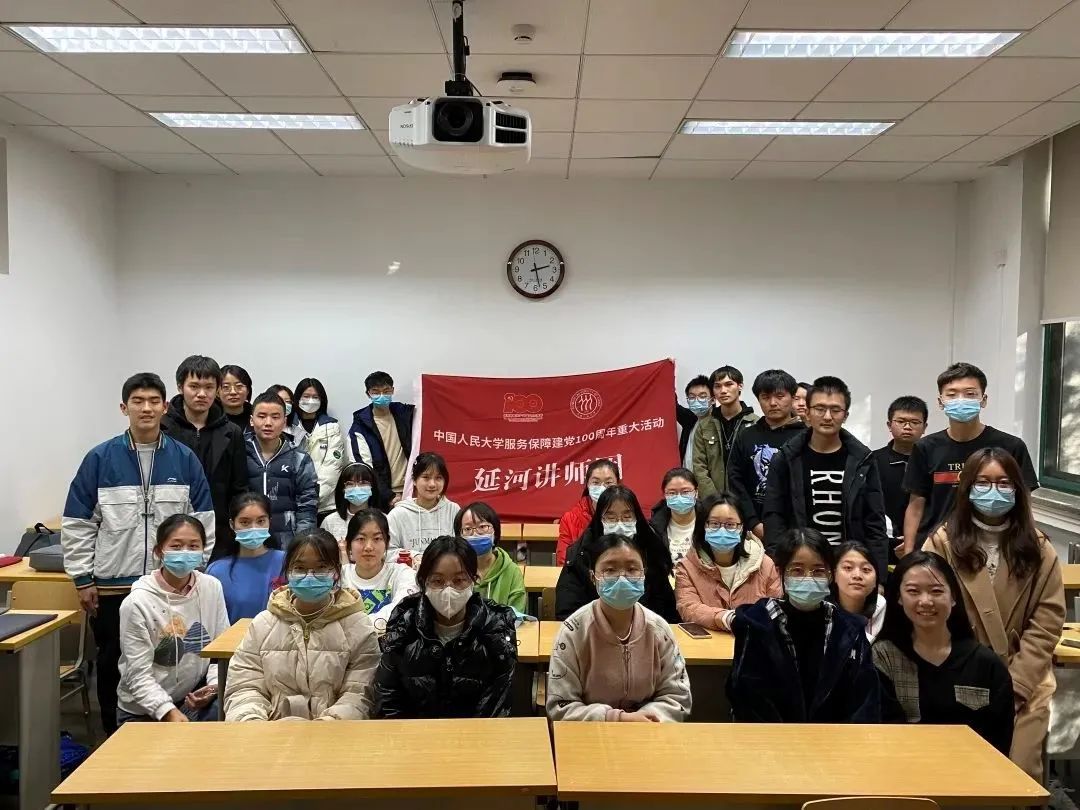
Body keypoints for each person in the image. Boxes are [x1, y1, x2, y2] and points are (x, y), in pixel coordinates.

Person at [62, 372, 214, 736]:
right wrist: (82, 578)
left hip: (170, 586)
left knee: (175, 660)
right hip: (113, 586)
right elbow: (78, 523)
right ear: (124, 407)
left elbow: (203, 521)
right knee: (113, 665)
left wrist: (195, 571)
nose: (146, 408)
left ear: (165, 407)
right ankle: (115, 740)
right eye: (137, 401)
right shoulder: (100, 458)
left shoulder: (184, 458)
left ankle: (174, 730)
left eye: (153, 401)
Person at [923, 447, 1064, 780]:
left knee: (1019, 772)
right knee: (957, 773)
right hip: (957, 674)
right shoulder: (942, 543)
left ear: (1017, 489)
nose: (993, 491)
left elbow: (1047, 621)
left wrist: (1016, 686)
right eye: (983, 482)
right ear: (967, 487)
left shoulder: (1039, 548)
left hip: (1024, 678)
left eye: (1003, 483)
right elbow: (927, 609)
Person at [224, 529, 381, 721]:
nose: (309, 576)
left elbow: (359, 694)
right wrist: (252, 722)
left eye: (321, 568)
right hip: (270, 731)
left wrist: (327, 725)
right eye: (299, 568)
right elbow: (243, 687)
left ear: (336, 572)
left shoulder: (358, 627)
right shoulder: (262, 625)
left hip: (335, 732)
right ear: (287, 571)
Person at [726, 528, 880, 722]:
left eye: (818, 571)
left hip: (836, 737)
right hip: (770, 736)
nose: (808, 577)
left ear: (830, 575)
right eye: (797, 570)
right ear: (780, 572)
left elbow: (865, 699)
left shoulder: (850, 630)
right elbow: (746, 696)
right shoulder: (756, 624)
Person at [874, 551, 1014, 756]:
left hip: (973, 770)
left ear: (953, 597)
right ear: (899, 598)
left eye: (936, 591)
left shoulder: (985, 665)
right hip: (903, 767)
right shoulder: (883, 658)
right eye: (913, 591)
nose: (925, 601)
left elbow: (1000, 741)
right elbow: (881, 732)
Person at [547, 532, 692, 722]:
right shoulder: (574, 632)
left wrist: (648, 718)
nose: (622, 578)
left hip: (649, 730)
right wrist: (615, 718)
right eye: (610, 570)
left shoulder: (659, 630)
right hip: (591, 733)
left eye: (632, 569)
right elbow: (561, 706)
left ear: (644, 574)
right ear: (593, 577)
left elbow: (678, 697)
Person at [902, 362, 1038, 556]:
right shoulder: (926, 447)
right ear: (940, 402)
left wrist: (1029, 542)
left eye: (970, 394)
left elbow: (1025, 503)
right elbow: (916, 506)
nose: (961, 400)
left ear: (983, 400)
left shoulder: (1011, 446)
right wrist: (909, 554)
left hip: (995, 546)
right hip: (936, 548)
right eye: (952, 394)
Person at [373, 536, 518, 718]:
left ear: (474, 580)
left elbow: (498, 705)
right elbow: (388, 700)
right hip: (412, 733)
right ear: (423, 582)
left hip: (478, 733)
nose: (448, 590)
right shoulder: (403, 625)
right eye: (437, 581)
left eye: (459, 580)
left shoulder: (496, 626)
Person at [761, 376, 889, 576]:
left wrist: (879, 578)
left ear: (845, 415)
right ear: (807, 412)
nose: (827, 416)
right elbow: (774, 516)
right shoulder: (787, 458)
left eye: (835, 410)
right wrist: (778, 565)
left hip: (849, 568)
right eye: (820, 409)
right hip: (800, 567)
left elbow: (874, 521)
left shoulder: (862, 459)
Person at [116, 514, 229, 725]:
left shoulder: (211, 587)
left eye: (193, 546)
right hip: (143, 709)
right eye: (176, 546)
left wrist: (213, 687)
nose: (185, 552)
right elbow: (137, 675)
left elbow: (220, 653)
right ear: (159, 551)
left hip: (190, 699)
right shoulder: (137, 602)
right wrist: (167, 712)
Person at [161, 355, 248, 563]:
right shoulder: (162, 429)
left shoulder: (232, 432)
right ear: (180, 387)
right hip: (171, 530)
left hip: (220, 534)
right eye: (194, 386)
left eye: (209, 387)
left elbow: (239, 488)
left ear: (217, 390)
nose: (202, 394)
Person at [555, 486, 679, 622]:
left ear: (637, 519)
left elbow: (668, 613)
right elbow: (567, 612)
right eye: (611, 518)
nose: (620, 524)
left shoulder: (651, 552)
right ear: (599, 520)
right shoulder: (580, 555)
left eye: (627, 517)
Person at [674, 493, 781, 632]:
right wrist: (726, 618)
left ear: (741, 528)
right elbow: (689, 608)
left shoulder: (765, 564)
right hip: (710, 642)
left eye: (730, 525)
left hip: (755, 640)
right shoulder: (687, 567)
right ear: (703, 526)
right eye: (714, 524)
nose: (722, 530)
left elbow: (775, 608)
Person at [727, 369, 804, 541]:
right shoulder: (746, 436)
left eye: (780, 396)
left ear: (792, 397)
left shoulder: (806, 437)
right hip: (752, 529)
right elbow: (735, 480)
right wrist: (753, 522)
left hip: (796, 531)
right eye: (765, 397)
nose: (773, 403)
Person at [245, 391, 318, 548]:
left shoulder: (299, 458)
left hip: (286, 544)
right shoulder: (238, 453)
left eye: (275, 417)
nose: (268, 423)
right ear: (251, 420)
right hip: (247, 540)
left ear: (284, 421)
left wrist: (301, 545)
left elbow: (307, 506)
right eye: (262, 416)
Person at [206, 493, 286, 622]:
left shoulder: (287, 562)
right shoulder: (217, 571)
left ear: (269, 522)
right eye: (245, 522)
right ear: (232, 524)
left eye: (261, 521)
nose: (254, 528)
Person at [340, 509, 418, 630]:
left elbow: (400, 608)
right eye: (361, 539)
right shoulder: (340, 576)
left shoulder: (402, 574)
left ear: (387, 543)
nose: (368, 547)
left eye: (377, 539)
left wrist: (358, 628)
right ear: (349, 544)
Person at [871, 395, 928, 559]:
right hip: (884, 543)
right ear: (889, 425)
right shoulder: (872, 461)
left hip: (926, 543)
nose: (907, 427)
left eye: (915, 422)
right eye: (901, 421)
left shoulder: (932, 461)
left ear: (925, 427)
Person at [346, 371, 415, 505]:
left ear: (392, 390)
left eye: (386, 391)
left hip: (412, 490)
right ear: (368, 394)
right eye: (376, 392)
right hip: (384, 497)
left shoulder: (405, 414)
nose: (382, 396)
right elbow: (364, 468)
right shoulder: (360, 427)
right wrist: (388, 496)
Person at [692, 366, 758, 498]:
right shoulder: (704, 426)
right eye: (717, 386)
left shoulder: (756, 423)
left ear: (740, 386)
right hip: (713, 501)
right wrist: (715, 500)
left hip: (747, 500)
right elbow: (699, 467)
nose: (723, 391)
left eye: (729, 384)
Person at [288, 377, 346, 521]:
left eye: (315, 397)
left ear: (322, 400)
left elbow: (333, 467)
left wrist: (311, 498)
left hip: (326, 505)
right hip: (292, 504)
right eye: (306, 396)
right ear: (297, 399)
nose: (310, 401)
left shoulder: (332, 427)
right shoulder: (286, 427)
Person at [454, 501, 526, 613]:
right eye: (468, 529)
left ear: (495, 532)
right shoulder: (454, 569)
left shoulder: (512, 571)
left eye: (482, 527)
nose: (475, 534)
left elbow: (516, 614)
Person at [386, 452, 460, 555]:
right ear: (414, 480)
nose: (432, 484)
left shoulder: (453, 510)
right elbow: (388, 551)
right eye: (426, 477)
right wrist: (414, 557)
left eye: (438, 478)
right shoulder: (397, 514)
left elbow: (462, 547)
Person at [557, 458, 620, 566]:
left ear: (617, 485)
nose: (602, 488)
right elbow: (563, 561)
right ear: (587, 484)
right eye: (596, 482)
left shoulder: (627, 516)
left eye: (609, 483)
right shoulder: (570, 519)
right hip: (581, 574)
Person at [322, 462, 385, 547]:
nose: (356, 488)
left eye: (363, 483)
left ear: (372, 487)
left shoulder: (384, 520)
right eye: (350, 484)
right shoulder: (329, 522)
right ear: (343, 489)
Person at [833, 541, 885, 641]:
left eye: (866, 569)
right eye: (848, 568)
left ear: (876, 580)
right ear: (834, 575)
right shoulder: (821, 608)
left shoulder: (881, 605)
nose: (857, 575)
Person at [649, 467, 701, 565]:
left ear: (696, 492)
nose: (679, 497)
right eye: (672, 493)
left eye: (685, 492)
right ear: (665, 495)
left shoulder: (709, 521)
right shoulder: (654, 528)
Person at [679, 374, 711, 468]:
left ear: (713, 399)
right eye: (692, 397)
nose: (696, 401)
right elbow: (672, 402)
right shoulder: (689, 420)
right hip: (686, 475)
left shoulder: (719, 423)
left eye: (702, 396)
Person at [219, 364, 253, 432]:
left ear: (248, 390)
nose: (233, 392)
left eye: (239, 386)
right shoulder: (209, 418)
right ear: (217, 392)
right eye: (226, 387)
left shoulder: (257, 415)